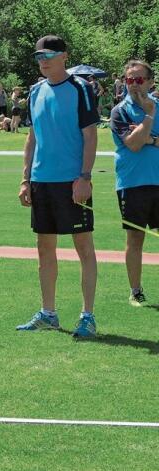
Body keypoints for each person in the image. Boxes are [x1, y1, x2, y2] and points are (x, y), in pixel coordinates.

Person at [17, 35, 99, 338]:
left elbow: (90, 136)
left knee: (83, 247)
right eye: (39, 57)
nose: (43, 61)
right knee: (44, 248)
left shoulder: (81, 89)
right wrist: (25, 179)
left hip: (73, 181)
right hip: (41, 181)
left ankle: (87, 316)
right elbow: (32, 138)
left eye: (49, 55)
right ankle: (48, 313)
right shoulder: (35, 91)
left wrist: (85, 177)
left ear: (64, 56)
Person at [109, 59, 159, 307]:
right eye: (130, 79)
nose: (134, 85)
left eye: (139, 79)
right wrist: (149, 118)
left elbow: (141, 139)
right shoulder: (120, 111)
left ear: (151, 82)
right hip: (132, 183)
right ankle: (136, 291)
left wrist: (147, 137)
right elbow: (134, 144)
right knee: (135, 239)